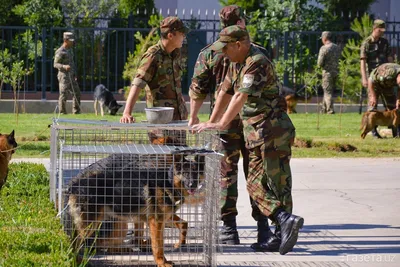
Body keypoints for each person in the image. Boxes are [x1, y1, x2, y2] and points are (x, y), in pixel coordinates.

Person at [192, 26, 304, 255]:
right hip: (256, 132)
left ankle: (281, 231)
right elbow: (225, 92)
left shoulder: (256, 61)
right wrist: (211, 125)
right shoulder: (237, 63)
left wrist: (221, 124)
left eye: (226, 48)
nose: (222, 54)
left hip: (271, 130)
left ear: (239, 45)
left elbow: (241, 96)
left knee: (277, 182)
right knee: (257, 185)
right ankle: (283, 222)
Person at [189, 5, 276, 250]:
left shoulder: (209, 52)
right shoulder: (256, 50)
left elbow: (197, 88)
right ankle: (262, 229)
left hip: (222, 122)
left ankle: (229, 229)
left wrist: (195, 119)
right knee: (257, 174)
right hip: (251, 121)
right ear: (242, 23)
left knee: (225, 174)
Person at [120, 17, 188, 145]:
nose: (184, 36)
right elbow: (138, 83)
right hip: (160, 121)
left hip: (178, 118)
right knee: (161, 160)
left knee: (179, 160)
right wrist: (127, 112)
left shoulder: (176, 53)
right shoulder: (153, 55)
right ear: (170, 35)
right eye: (181, 33)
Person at [360, 19, 393, 137]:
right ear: (374, 29)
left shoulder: (385, 42)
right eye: (380, 30)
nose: (382, 33)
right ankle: (373, 131)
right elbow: (363, 62)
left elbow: (390, 59)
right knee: (372, 105)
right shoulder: (367, 43)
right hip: (372, 79)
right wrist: (364, 78)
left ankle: (395, 129)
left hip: (385, 79)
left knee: (391, 104)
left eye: (383, 30)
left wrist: (392, 73)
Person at [368, 63, 400, 137]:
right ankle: (374, 132)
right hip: (375, 85)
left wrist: (398, 99)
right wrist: (373, 96)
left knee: (393, 108)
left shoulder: (398, 81)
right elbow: (370, 80)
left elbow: (399, 89)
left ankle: (396, 133)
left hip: (388, 87)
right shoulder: (388, 74)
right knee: (372, 108)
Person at [54, 32, 81, 114]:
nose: (72, 42)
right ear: (66, 40)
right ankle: (62, 112)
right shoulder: (60, 51)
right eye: (71, 41)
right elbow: (55, 64)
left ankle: (76, 111)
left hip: (71, 76)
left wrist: (75, 74)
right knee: (63, 95)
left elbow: (72, 63)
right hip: (64, 76)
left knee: (77, 93)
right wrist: (64, 66)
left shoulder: (69, 50)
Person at [317, 31, 341, 114]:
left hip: (327, 73)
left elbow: (320, 63)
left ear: (324, 38)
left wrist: (320, 66)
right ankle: (323, 109)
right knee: (328, 90)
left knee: (327, 91)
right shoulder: (337, 47)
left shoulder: (324, 48)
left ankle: (330, 110)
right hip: (336, 72)